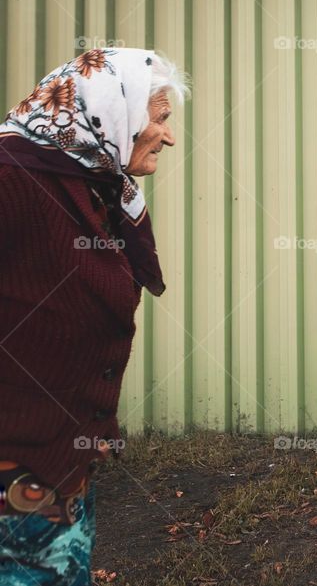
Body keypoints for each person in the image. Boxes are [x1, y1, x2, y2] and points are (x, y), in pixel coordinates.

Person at [0, 48, 189, 584]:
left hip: (62, 466)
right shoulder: (12, 179)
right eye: (160, 120)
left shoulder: (96, 187)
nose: (168, 137)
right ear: (112, 108)